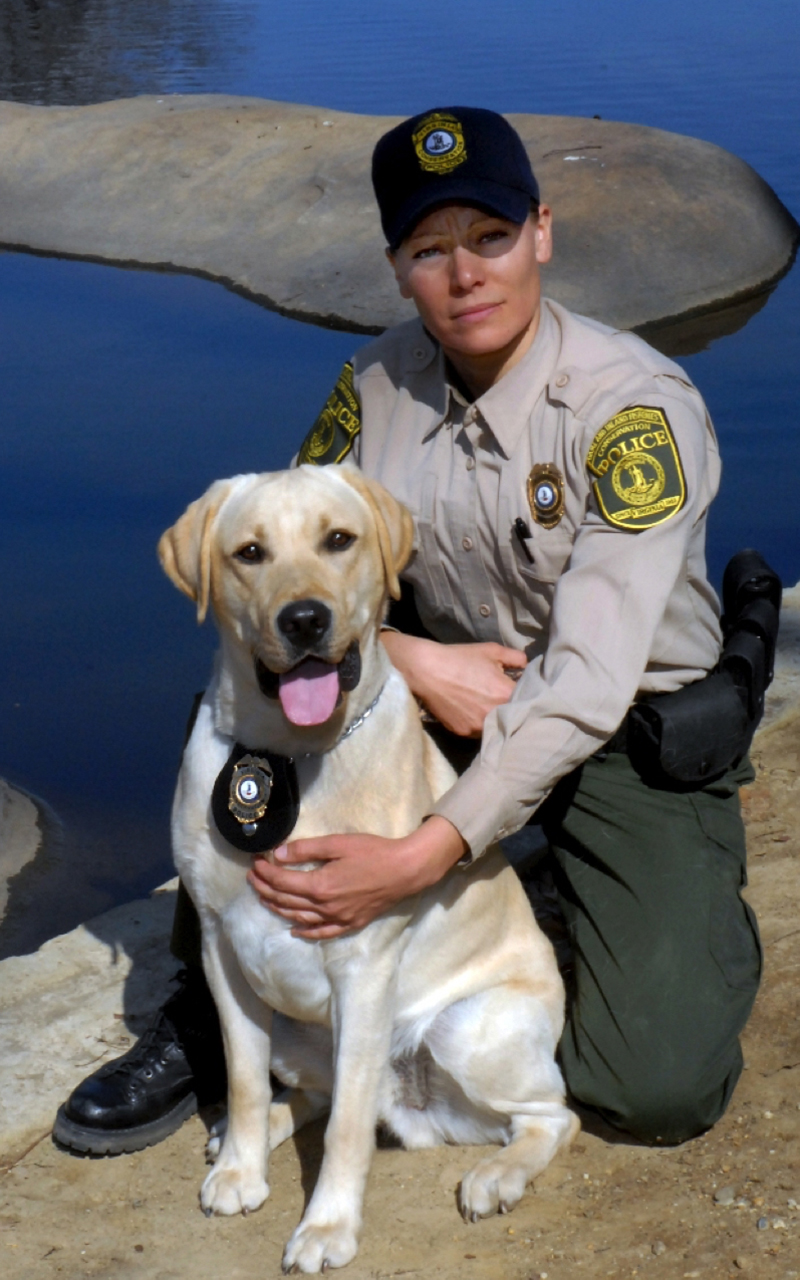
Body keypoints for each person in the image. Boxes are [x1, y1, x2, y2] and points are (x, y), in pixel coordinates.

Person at [55, 106, 761, 1157]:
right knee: (245, 706)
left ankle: (634, 908)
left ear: (541, 233)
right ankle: (201, 1020)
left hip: (618, 729)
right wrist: (409, 657)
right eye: (429, 249)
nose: (463, 273)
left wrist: (422, 852)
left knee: (652, 1087)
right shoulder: (370, 388)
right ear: (395, 267)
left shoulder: (630, 410)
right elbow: (301, 567)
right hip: (448, 701)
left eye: (488, 236)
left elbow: (582, 679)